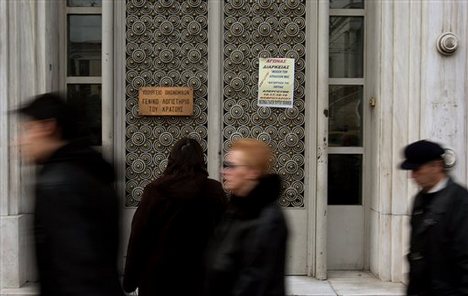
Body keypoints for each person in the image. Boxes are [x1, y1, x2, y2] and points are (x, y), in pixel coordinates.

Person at [15, 93, 124, 296]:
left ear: (48, 127)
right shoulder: (91, 170)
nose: (19, 141)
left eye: (27, 129)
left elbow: (80, 272)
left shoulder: (58, 184)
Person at [123, 137, 226, 296]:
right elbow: (225, 235)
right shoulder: (213, 191)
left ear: (171, 159)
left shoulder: (155, 191)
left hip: (158, 281)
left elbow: (139, 237)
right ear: (201, 161)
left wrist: (130, 281)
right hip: (200, 279)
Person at [204, 138, 288, 296]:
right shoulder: (235, 208)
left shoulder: (268, 219)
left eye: (231, 166)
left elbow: (256, 281)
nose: (224, 171)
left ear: (252, 172)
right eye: (224, 165)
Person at [400, 139, 468, 295]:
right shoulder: (419, 199)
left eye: (417, 169)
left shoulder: (460, 201)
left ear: (436, 166)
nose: (412, 176)